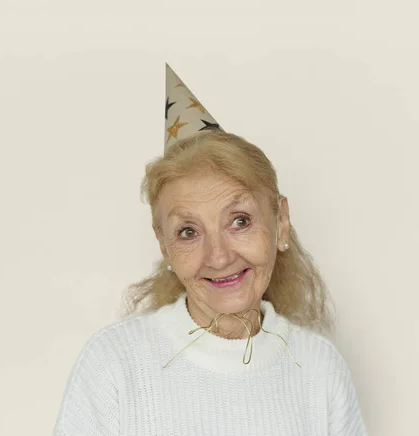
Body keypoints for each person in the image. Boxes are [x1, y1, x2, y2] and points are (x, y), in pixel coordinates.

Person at [52, 64, 369, 436]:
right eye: (188, 231)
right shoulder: (113, 364)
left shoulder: (320, 369)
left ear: (281, 222)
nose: (219, 257)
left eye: (239, 221)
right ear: (165, 247)